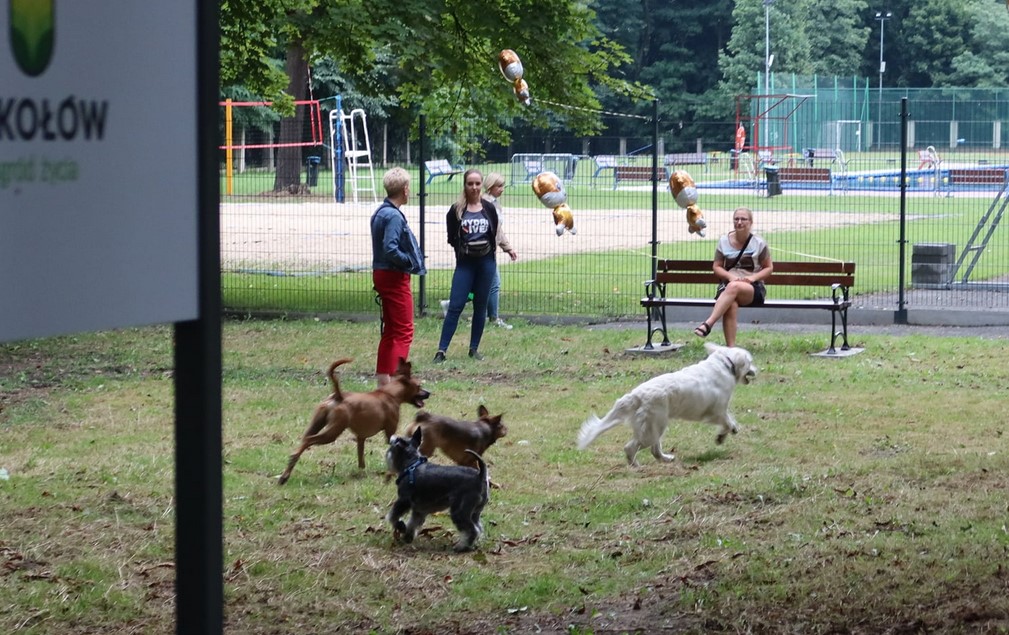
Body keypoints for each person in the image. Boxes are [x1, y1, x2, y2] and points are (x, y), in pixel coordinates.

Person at [434, 169, 507, 363]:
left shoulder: (489, 209)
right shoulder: (456, 210)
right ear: (465, 185)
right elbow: (451, 237)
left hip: (486, 263)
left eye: (477, 184)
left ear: (482, 185)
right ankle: (441, 351)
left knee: (480, 306)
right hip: (465, 264)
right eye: (470, 183)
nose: (474, 187)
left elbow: (496, 234)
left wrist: (506, 248)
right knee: (456, 305)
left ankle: (474, 349)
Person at [370, 167, 426, 386]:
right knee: (404, 331)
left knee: (391, 330)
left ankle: (383, 379)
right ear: (405, 189)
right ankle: (397, 381)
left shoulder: (380, 212)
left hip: (381, 273)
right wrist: (409, 262)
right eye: (409, 187)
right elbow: (391, 248)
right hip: (394, 276)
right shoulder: (393, 216)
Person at [694, 207, 773, 347]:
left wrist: (753, 278)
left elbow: (769, 268)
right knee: (731, 303)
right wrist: (730, 277)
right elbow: (717, 266)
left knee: (734, 287)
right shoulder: (724, 241)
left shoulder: (759, 243)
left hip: (752, 289)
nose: (739, 222)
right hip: (728, 288)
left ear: (751, 222)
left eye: (743, 219)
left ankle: (708, 323)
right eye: (736, 219)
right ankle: (731, 349)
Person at [482, 172, 518, 329]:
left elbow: (498, 230)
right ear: (490, 187)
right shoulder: (485, 203)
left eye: (503, 185)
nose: (502, 189)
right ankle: (494, 318)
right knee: (494, 283)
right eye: (499, 186)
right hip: (485, 251)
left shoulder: (496, 204)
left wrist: (507, 248)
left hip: (492, 250)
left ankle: (452, 305)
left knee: (484, 284)